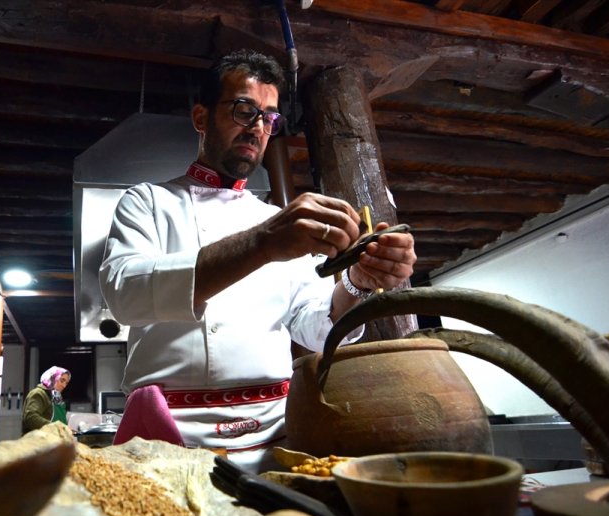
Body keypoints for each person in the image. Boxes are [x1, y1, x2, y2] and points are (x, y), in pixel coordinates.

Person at [98, 49, 416, 471]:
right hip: (171, 437)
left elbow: (316, 327)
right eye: (244, 109)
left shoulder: (274, 221)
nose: (258, 127)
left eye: (268, 117)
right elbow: (126, 294)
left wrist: (357, 278)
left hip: (277, 433)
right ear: (201, 117)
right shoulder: (148, 202)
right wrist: (261, 244)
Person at [22, 366, 71, 434]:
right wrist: (55, 427)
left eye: (66, 383)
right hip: (37, 441)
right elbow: (30, 417)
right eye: (62, 380)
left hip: (54, 441)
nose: (64, 386)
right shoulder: (39, 393)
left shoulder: (57, 400)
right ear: (52, 378)